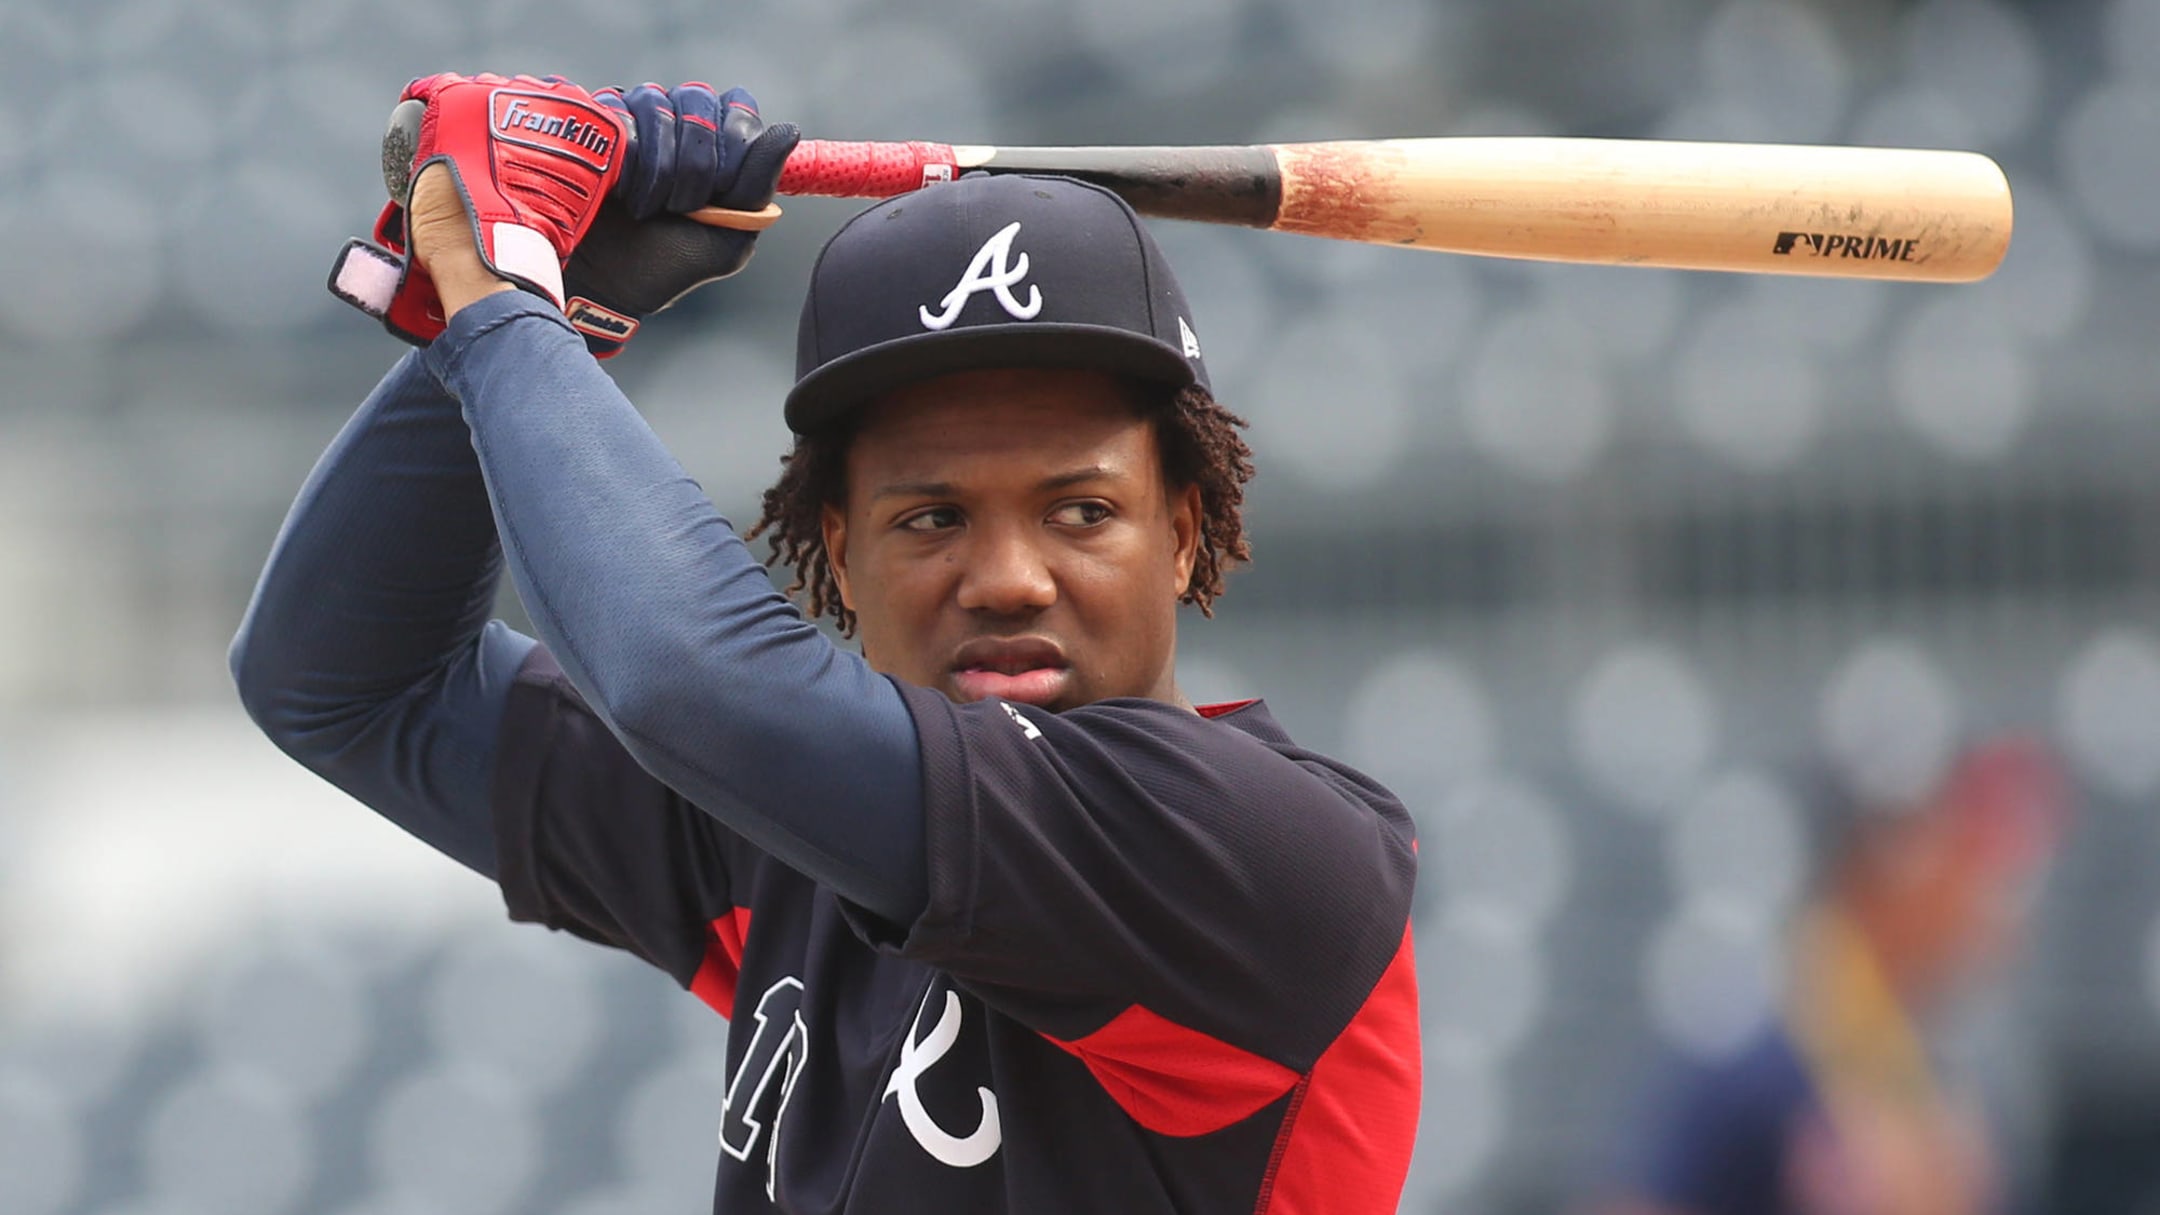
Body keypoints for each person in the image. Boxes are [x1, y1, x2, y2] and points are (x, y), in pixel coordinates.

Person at [231, 73, 1420, 1213]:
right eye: (932, 518)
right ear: (839, 553)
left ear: (1183, 532)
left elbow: (696, 684)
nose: (1007, 580)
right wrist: (554, 308)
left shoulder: (1263, 854)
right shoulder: (800, 834)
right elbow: (344, 683)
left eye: (1081, 512)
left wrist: (502, 307)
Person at [1597, 735, 2069, 1215]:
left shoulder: (1937, 1052)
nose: (1983, 888)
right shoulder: (1751, 1047)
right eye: (1955, 850)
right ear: (1897, 863)